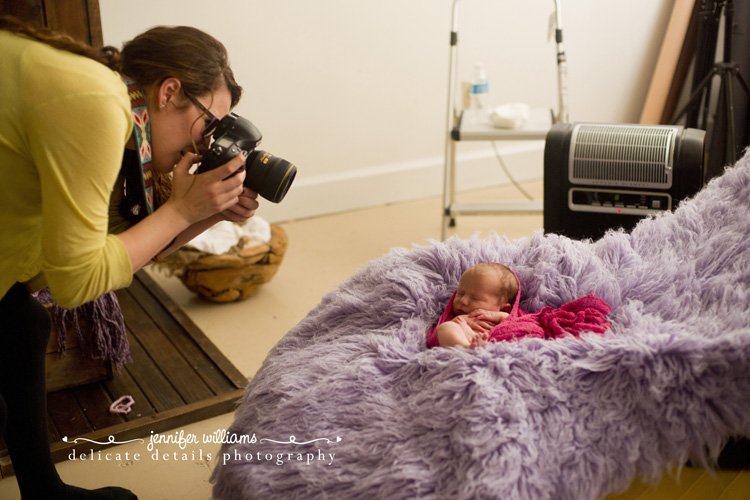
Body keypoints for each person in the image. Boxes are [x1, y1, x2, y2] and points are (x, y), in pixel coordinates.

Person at [0, 17, 258, 500]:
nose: (205, 144)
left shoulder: (110, 99)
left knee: (21, 321)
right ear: (169, 92)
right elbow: (75, 281)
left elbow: (86, 251)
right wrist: (182, 207)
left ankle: (42, 489)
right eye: (207, 123)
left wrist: (205, 216)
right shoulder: (97, 104)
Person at [435, 263, 517, 348]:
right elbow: (437, 337)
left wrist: (495, 315)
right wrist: (460, 322)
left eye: (475, 298)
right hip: (462, 340)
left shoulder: (501, 317)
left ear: (503, 309)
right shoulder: (460, 318)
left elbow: (515, 323)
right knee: (445, 327)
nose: (463, 301)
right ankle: (467, 347)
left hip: (494, 343)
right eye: (460, 293)